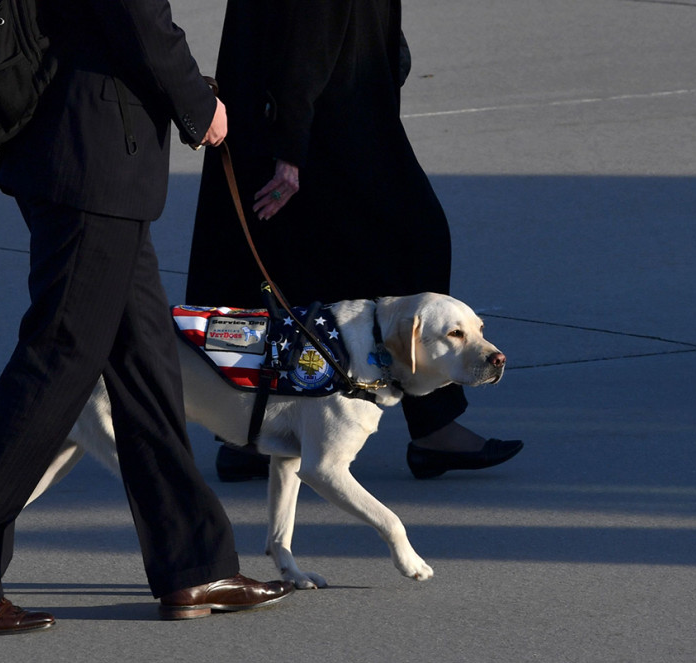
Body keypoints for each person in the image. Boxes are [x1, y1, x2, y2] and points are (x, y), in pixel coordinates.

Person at [0, 0, 293, 635]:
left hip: (76, 153)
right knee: (58, 361)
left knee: (146, 369)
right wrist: (200, 106)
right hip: (93, 162)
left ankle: (194, 564)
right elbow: (138, 17)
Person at [186, 0, 522, 482]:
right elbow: (307, 29)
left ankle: (252, 433)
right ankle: (429, 426)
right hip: (319, 119)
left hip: (320, 109)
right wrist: (290, 145)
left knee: (293, 263)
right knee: (410, 240)